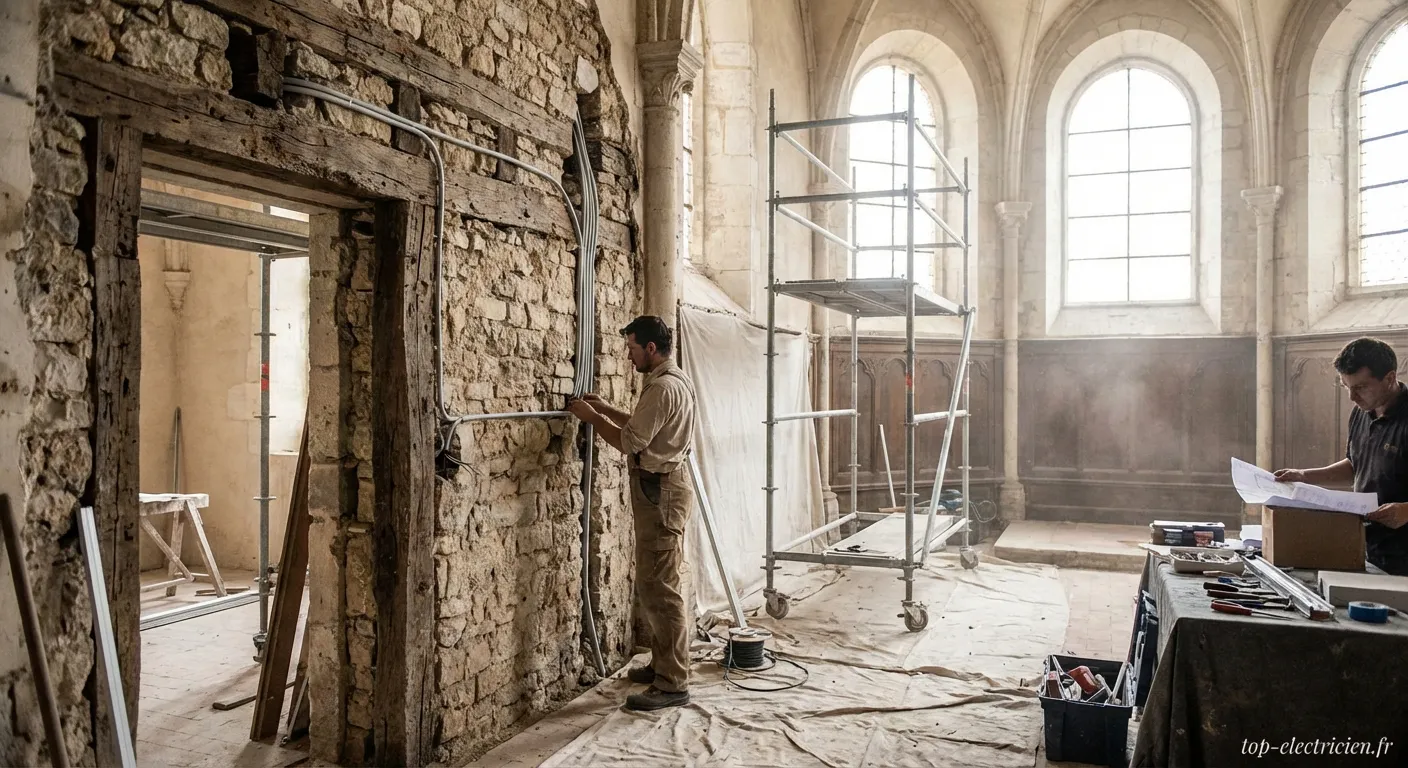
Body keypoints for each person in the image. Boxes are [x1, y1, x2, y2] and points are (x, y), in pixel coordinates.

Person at [566, 315, 697, 711]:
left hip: (661, 490)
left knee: (661, 587)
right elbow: (643, 429)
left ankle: (673, 683)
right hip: (662, 487)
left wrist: (593, 419)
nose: (628, 356)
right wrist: (606, 408)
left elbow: (629, 442)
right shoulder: (671, 380)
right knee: (655, 581)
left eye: (632, 349)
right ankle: (662, 665)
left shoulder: (662, 387)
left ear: (651, 348)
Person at [1274, 337, 1408, 574]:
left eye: (1360, 387)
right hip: (1367, 547)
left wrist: (1405, 511)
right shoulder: (1361, 412)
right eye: (1346, 387)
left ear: (1389, 378)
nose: (1352, 397)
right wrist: (1304, 476)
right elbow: (1356, 465)